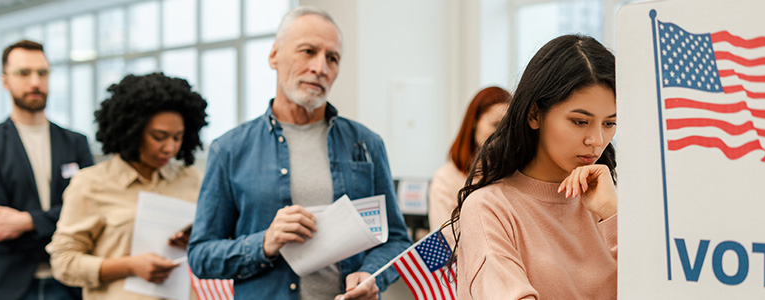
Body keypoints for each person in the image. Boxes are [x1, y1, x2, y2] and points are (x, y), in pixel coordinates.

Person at [187, 6, 411, 300]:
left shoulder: (367, 144)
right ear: (274, 56)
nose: (321, 68)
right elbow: (201, 255)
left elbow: (396, 239)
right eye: (308, 51)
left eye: (332, 58)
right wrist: (264, 243)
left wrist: (373, 275)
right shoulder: (229, 150)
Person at [450, 35, 618, 299]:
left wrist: (613, 215)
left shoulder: (609, 203)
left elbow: (661, 287)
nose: (597, 140)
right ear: (534, 115)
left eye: (609, 123)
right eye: (579, 122)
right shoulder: (490, 208)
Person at [46, 73, 208, 299]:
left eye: (178, 137)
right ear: (132, 131)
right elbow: (63, 262)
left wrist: (197, 241)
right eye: (159, 136)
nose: (170, 148)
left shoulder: (192, 179)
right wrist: (129, 266)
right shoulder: (91, 184)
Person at [0, 40, 91, 300]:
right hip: (7, 285)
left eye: (42, 73)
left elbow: (90, 211)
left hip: (68, 283)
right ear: (5, 81)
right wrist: (58, 221)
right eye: (24, 73)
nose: (35, 82)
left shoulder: (76, 142)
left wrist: (26, 222)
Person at [428, 86, 510, 229]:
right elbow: (447, 239)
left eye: (507, 126)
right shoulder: (446, 179)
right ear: (474, 122)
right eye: (496, 124)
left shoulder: (514, 173)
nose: (501, 134)